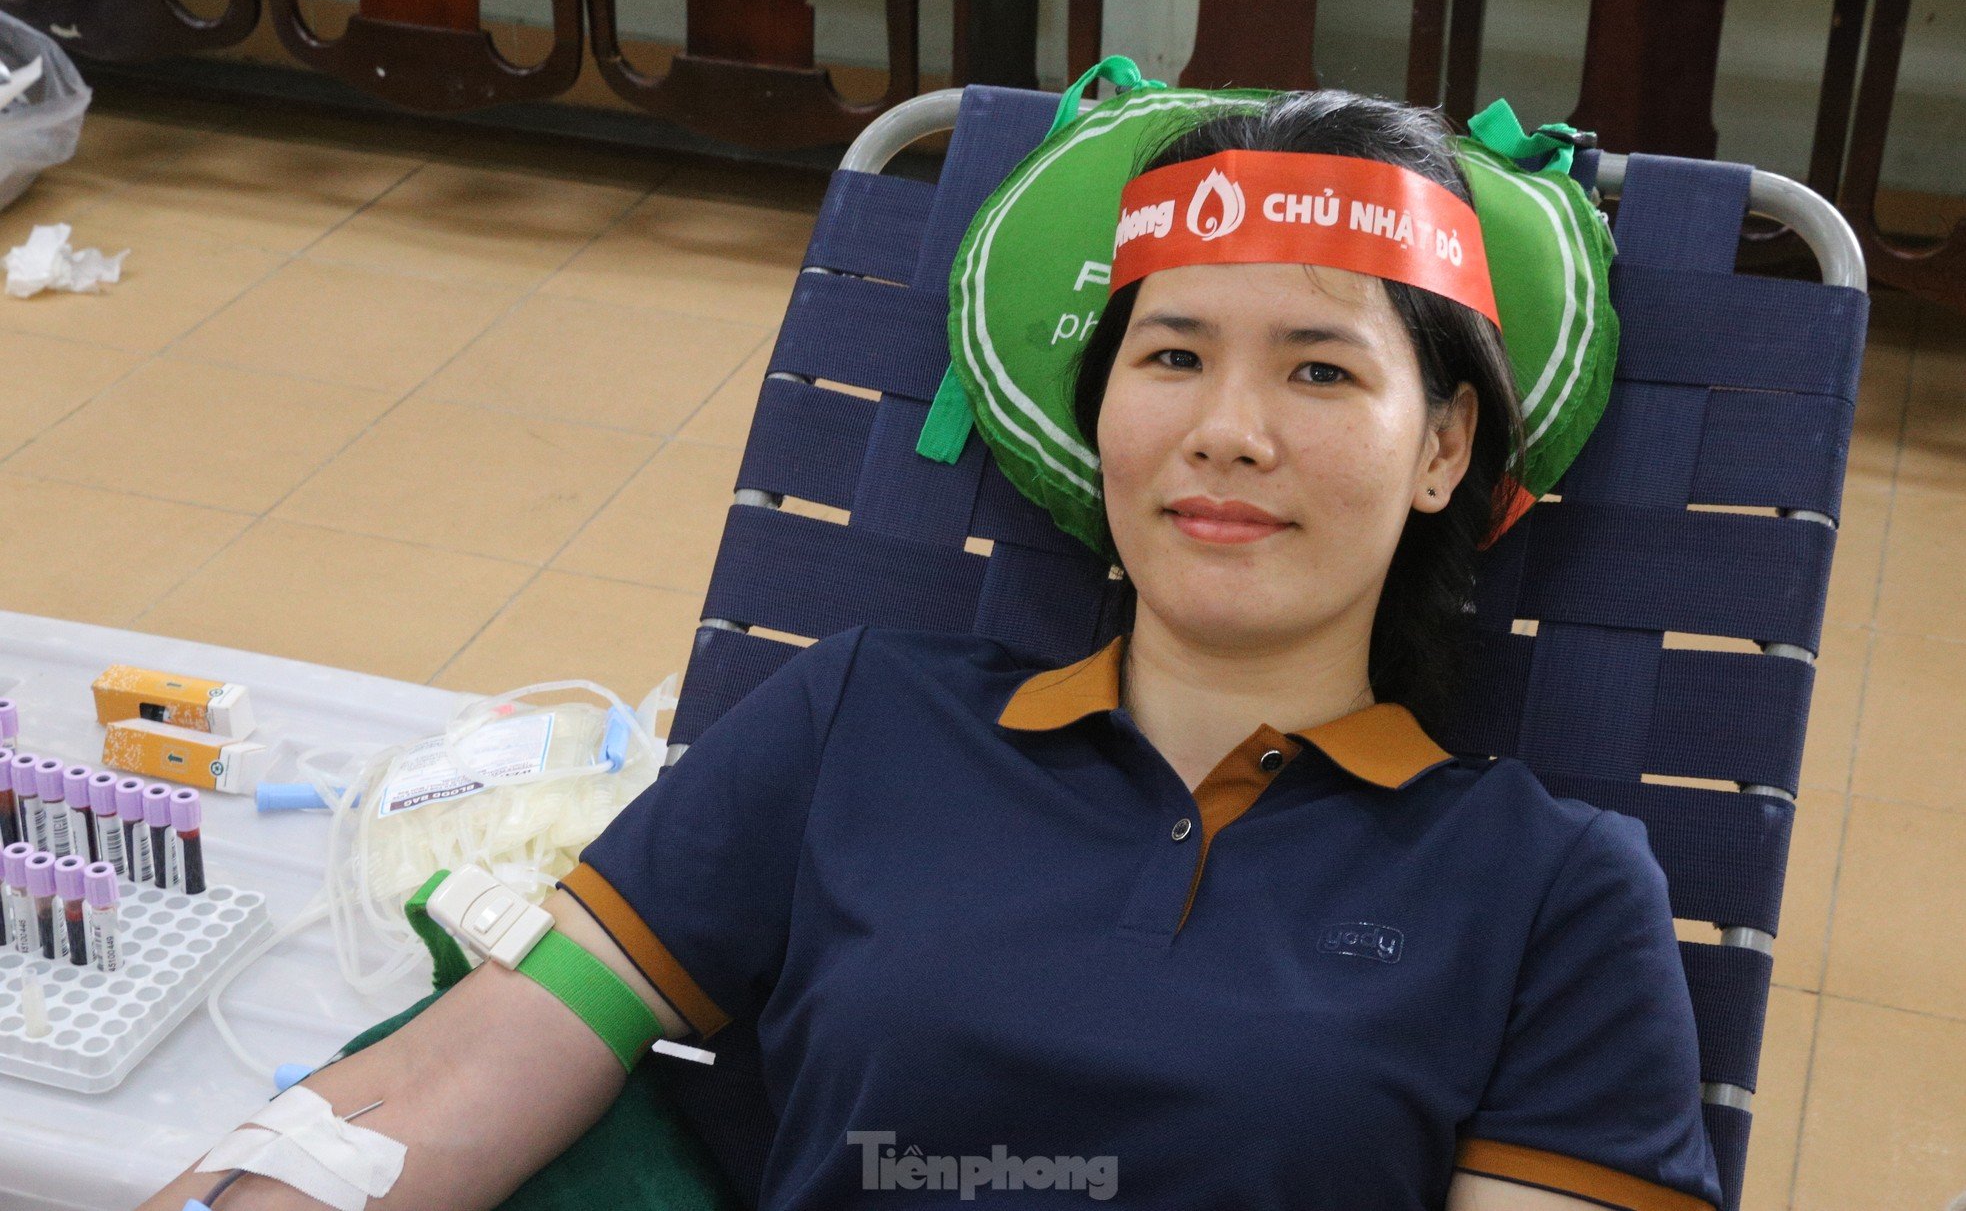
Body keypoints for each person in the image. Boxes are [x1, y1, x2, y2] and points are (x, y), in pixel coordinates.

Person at [139, 90, 1722, 1211]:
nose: (1225, 433)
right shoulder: (854, 719)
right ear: (1099, 415)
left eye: (1320, 372)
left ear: (1444, 448)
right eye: (1171, 355)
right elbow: (457, 1077)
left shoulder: (1553, 893)